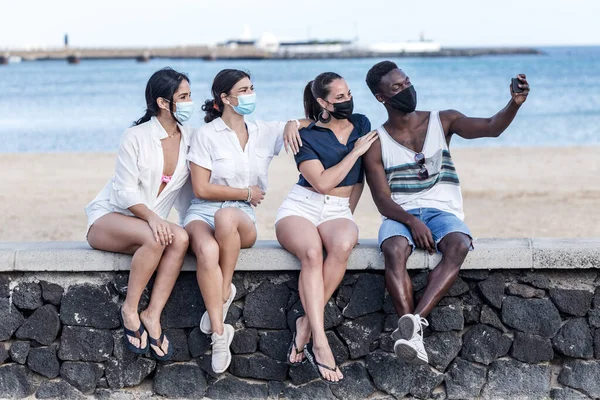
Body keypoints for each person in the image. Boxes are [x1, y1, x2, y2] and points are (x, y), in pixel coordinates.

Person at [363, 61, 530, 364]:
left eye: (407, 82)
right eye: (397, 88)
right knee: (394, 248)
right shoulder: (377, 142)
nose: (407, 90)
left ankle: (412, 327)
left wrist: (514, 104)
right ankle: (412, 333)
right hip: (400, 215)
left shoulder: (444, 120)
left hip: (443, 211)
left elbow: (491, 127)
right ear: (381, 98)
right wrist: (412, 221)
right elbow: (382, 200)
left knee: (459, 244)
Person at [183, 69, 308, 374]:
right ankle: (219, 333)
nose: (250, 94)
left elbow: (312, 123)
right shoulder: (205, 135)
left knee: (227, 216)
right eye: (243, 90)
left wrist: (293, 122)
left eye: (252, 88)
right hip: (202, 211)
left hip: (241, 217)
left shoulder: (264, 131)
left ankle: (223, 291)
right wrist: (245, 191)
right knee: (207, 251)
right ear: (225, 98)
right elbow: (201, 188)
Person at [86, 67, 196, 361]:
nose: (189, 102)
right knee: (158, 237)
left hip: (149, 226)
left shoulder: (190, 139)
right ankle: (130, 309)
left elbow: (186, 195)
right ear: (163, 102)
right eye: (182, 96)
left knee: (182, 237)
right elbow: (123, 192)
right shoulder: (135, 136)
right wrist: (154, 218)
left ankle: (152, 314)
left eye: (189, 95)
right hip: (109, 219)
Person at [275, 72, 378, 383]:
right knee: (310, 253)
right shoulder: (304, 137)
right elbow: (320, 183)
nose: (347, 101)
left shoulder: (361, 123)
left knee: (345, 242)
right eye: (339, 98)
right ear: (322, 102)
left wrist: (347, 212)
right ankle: (319, 342)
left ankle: (305, 324)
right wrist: (355, 152)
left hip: (337, 209)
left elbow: (358, 180)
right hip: (301, 206)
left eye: (348, 94)